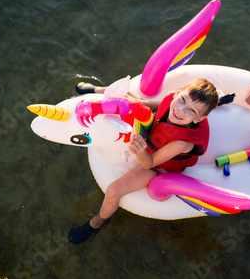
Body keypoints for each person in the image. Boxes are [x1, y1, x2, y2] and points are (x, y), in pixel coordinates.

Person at [68, 79, 219, 244]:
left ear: (198, 119)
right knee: (130, 101)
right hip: (155, 131)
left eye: (192, 111)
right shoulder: (172, 101)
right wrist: (135, 104)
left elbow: (149, 163)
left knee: (113, 191)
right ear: (179, 91)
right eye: (182, 99)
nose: (181, 109)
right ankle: (98, 90)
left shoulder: (182, 143)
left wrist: (139, 149)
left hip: (159, 165)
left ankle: (97, 222)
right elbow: (147, 104)